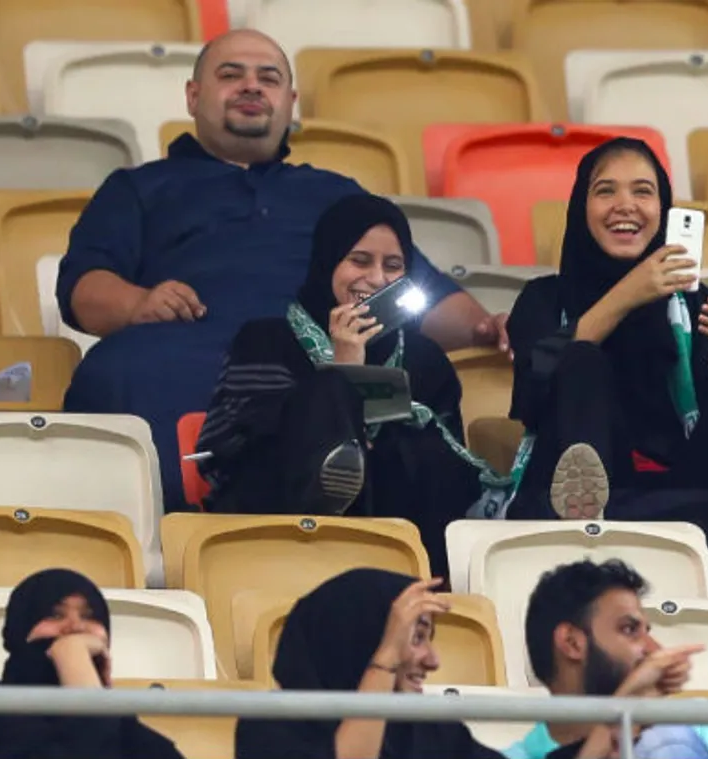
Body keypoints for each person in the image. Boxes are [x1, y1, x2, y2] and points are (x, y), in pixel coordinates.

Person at [57, 29, 508, 513]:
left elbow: (414, 289)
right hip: (180, 348)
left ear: (290, 102)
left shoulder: (335, 194)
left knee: (417, 370)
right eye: (231, 75)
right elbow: (82, 289)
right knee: (112, 371)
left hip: (313, 352)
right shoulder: (139, 188)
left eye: (268, 78)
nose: (251, 86)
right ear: (193, 96)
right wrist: (137, 304)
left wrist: (489, 327)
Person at [505, 137, 708, 592]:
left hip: (681, 479)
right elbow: (534, 390)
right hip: (582, 484)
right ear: (581, 206)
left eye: (643, 191)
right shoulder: (543, 298)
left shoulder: (692, 301)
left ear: (663, 209)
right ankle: (585, 513)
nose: (625, 206)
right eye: (606, 190)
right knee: (582, 361)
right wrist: (631, 291)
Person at [196, 193, 508, 578]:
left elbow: (448, 458)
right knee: (326, 392)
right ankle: (332, 486)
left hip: (397, 513)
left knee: (424, 446)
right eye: (359, 261)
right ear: (327, 262)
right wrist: (342, 370)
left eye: (393, 266)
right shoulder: (265, 339)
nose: (376, 279)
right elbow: (241, 446)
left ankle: (419, 573)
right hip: (283, 511)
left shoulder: (424, 358)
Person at [234, 568, 505, 759]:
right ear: (361, 638)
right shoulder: (267, 727)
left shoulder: (429, 730)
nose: (433, 661)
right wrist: (385, 660)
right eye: (416, 637)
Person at [505, 558, 708, 759]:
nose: (655, 650)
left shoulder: (702, 723)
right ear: (572, 643)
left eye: (648, 631)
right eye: (629, 630)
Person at [0, 568, 183, 759]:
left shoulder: (129, 732)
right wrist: (74, 661)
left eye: (89, 616)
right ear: (19, 629)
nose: (76, 627)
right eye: (55, 615)